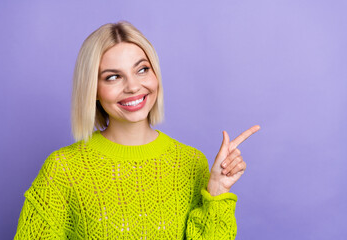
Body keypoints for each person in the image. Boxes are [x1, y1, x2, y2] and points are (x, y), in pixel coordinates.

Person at [14, 21, 260, 239]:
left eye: (142, 69)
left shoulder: (191, 163)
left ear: (155, 75)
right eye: (113, 77)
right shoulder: (63, 169)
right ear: (93, 90)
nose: (133, 86)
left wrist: (216, 191)